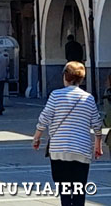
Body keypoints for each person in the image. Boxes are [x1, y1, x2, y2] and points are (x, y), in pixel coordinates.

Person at [32, 62, 103, 206]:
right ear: (81, 79)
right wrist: (98, 145)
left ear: (65, 76)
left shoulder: (56, 95)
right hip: (81, 150)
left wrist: (37, 137)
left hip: (59, 150)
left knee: (64, 191)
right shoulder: (88, 98)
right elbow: (96, 124)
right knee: (79, 191)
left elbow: (44, 118)